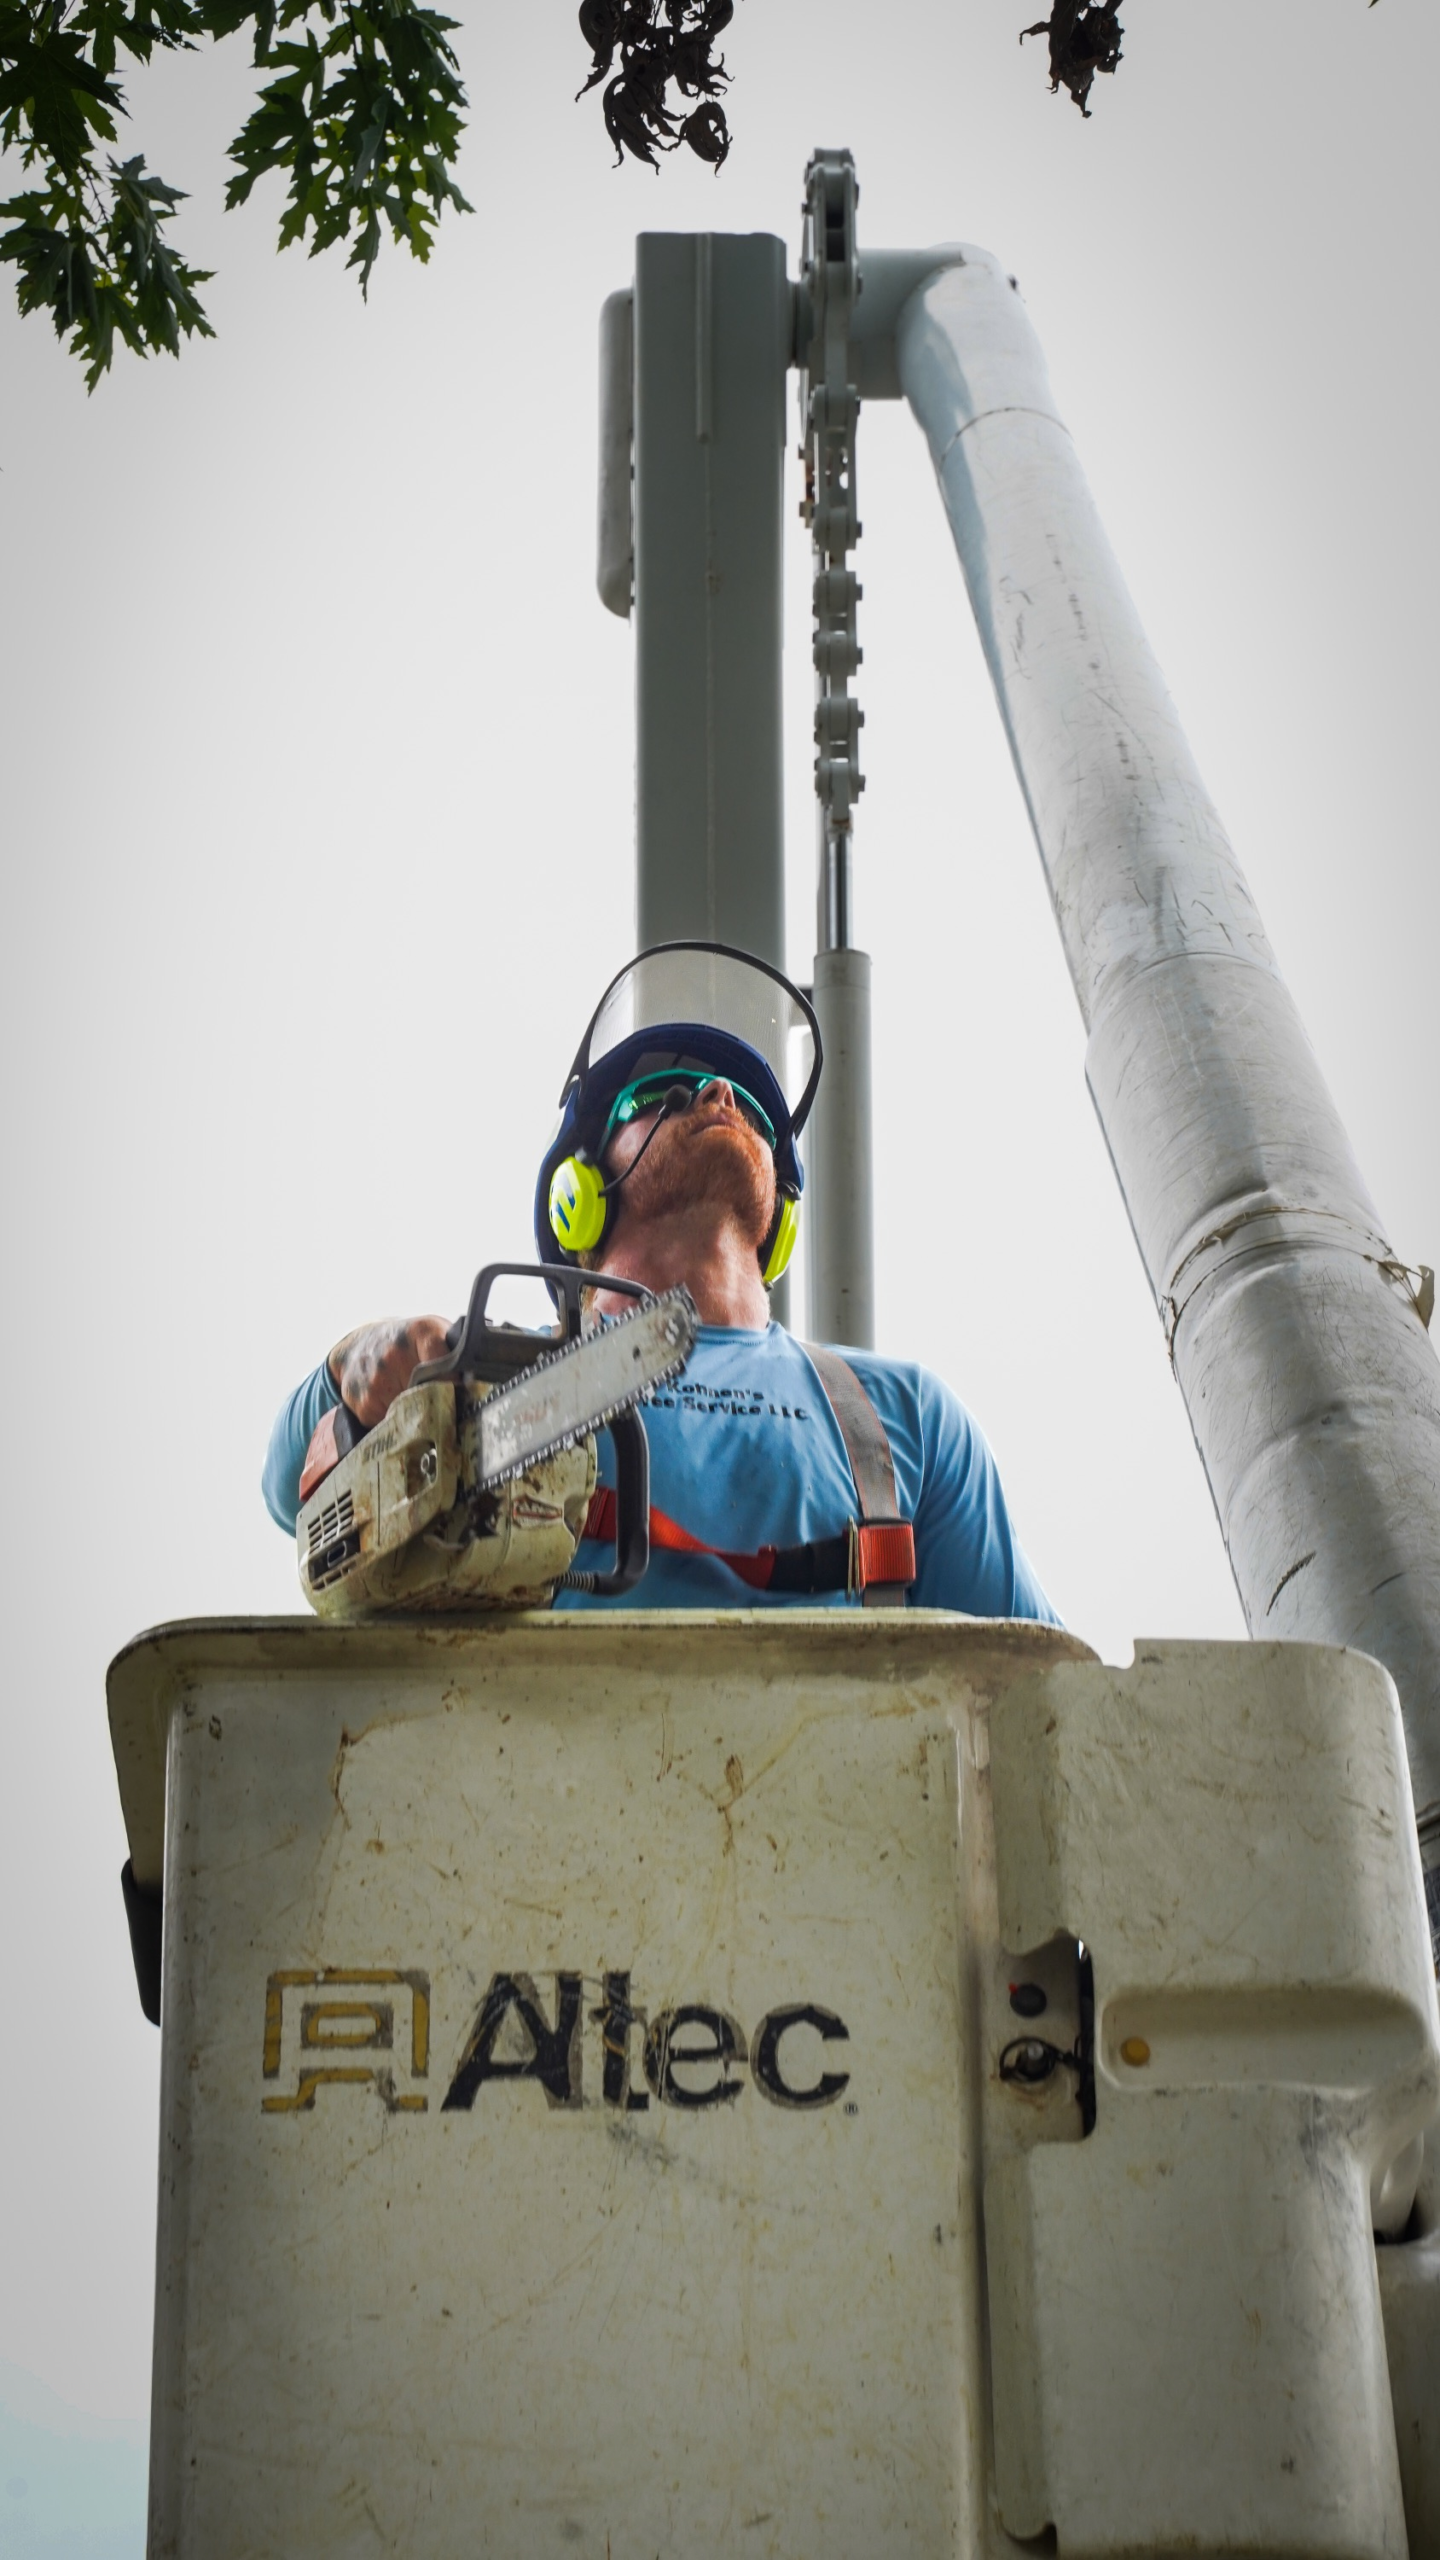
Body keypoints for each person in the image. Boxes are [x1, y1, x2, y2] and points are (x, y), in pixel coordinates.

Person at [262, 941, 1058, 1623]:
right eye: (666, 1091)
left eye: (747, 1105)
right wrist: (356, 1367)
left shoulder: (904, 1418)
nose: (719, 1096)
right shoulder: (478, 1387)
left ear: (778, 1219)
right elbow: (285, 1488)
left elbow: (1039, 1692)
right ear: (577, 1192)